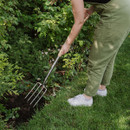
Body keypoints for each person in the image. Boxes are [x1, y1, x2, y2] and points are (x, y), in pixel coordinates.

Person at [52, 0, 130, 106]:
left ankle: (87, 98)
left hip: (116, 14)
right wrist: (90, 10)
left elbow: (79, 21)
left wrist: (67, 44)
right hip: (125, 8)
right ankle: (101, 88)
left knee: (97, 58)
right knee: (108, 54)